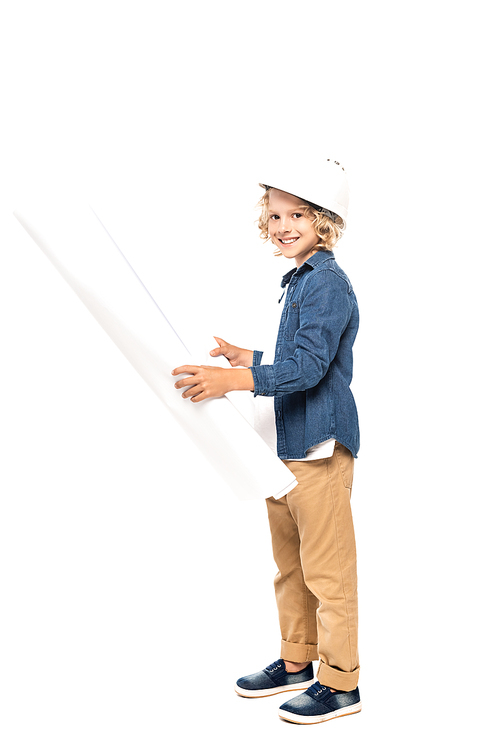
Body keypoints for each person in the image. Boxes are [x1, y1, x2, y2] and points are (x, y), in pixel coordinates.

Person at [172, 160, 361, 725]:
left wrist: (236, 381)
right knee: (291, 567)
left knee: (327, 571)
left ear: (324, 221)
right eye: (274, 214)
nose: (282, 224)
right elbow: (295, 362)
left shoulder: (326, 281)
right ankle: (298, 661)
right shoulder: (299, 278)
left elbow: (308, 369)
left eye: (297, 214)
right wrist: (249, 359)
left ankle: (341, 682)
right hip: (284, 445)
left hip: (319, 447)